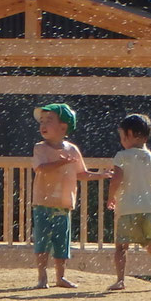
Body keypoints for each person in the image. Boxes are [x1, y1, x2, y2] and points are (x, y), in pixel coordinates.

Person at [31, 102, 100, 289]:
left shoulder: (72, 150)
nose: (43, 125)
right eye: (42, 121)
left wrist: (101, 175)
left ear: (63, 127)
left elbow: (81, 173)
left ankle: (60, 277)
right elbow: (41, 169)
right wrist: (60, 164)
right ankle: (42, 277)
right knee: (42, 242)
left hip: (64, 204)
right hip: (42, 203)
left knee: (62, 243)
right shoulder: (40, 148)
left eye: (49, 120)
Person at [106, 112, 151, 292]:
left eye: (122, 136)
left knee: (121, 247)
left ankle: (120, 280)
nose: (121, 141)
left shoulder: (122, 156)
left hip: (127, 208)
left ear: (128, 134)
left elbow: (116, 178)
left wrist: (111, 196)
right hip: (150, 210)